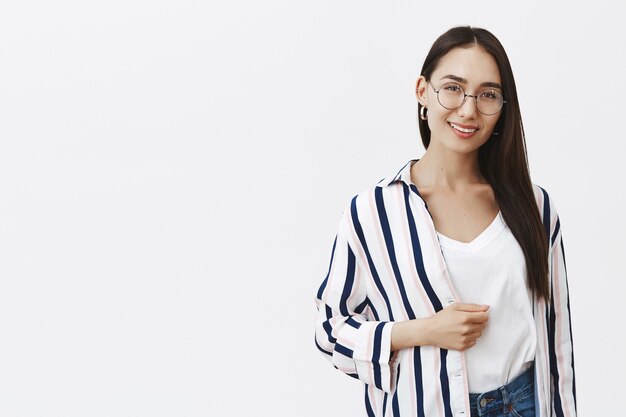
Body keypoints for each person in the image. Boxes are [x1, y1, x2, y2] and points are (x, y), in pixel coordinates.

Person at [314, 26, 576, 417]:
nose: (469, 109)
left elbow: (556, 339)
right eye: (452, 88)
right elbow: (329, 332)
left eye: (488, 94)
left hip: (524, 404)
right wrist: (423, 330)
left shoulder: (533, 205)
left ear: (503, 106)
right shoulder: (372, 212)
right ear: (423, 91)